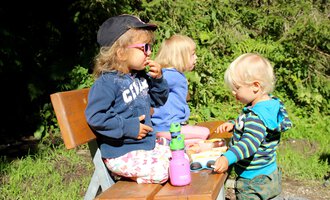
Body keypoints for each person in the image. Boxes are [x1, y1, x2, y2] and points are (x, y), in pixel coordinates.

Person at [85, 14, 171, 184]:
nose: (150, 52)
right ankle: (136, 187)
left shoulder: (140, 77)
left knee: (181, 155)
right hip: (122, 153)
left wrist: (158, 79)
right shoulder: (107, 83)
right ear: (121, 52)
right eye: (144, 47)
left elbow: (159, 100)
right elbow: (96, 117)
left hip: (145, 147)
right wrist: (129, 127)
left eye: (150, 47)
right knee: (164, 172)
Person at [213, 53, 293, 199]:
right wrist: (235, 124)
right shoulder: (270, 105)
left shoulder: (256, 117)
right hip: (270, 172)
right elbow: (255, 128)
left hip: (252, 180)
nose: (233, 92)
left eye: (237, 88)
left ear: (255, 86)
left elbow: (249, 143)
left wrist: (227, 158)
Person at [151, 34, 210, 146]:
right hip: (168, 126)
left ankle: (167, 141)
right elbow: (153, 84)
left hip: (168, 125)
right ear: (180, 56)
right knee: (205, 133)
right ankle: (165, 139)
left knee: (199, 141)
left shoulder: (171, 74)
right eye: (193, 54)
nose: (196, 57)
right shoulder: (171, 75)